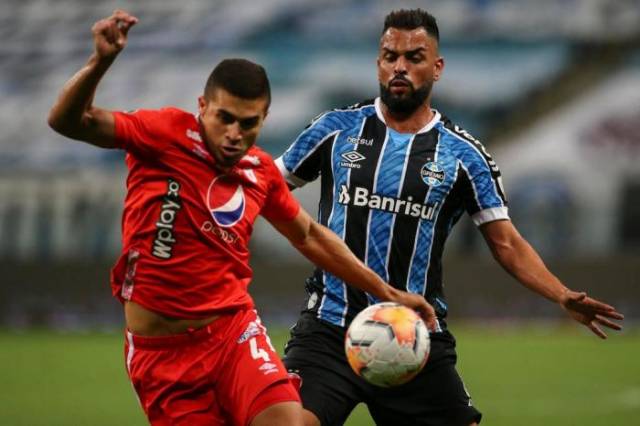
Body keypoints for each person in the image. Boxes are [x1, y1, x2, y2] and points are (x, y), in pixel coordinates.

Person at [47, 10, 436, 426]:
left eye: (248, 123)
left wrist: (386, 292)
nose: (235, 133)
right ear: (203, 107)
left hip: (233, 334)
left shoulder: (260, 171)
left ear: (264, 119)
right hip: (162, 356)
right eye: (225, 119)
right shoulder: (162, 133)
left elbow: (308, 235)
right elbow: (68, 121)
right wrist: (100, 63)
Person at [276, 8, 625, 426]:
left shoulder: (464, 155)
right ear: (378, 63)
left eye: (415, 57)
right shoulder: (335, 129)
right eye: (390, 56)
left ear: (437, 67)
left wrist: (561, 294)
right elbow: (264, 185)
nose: (400, 67)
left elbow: (506, 242)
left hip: (414, 335)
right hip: (328, 329)